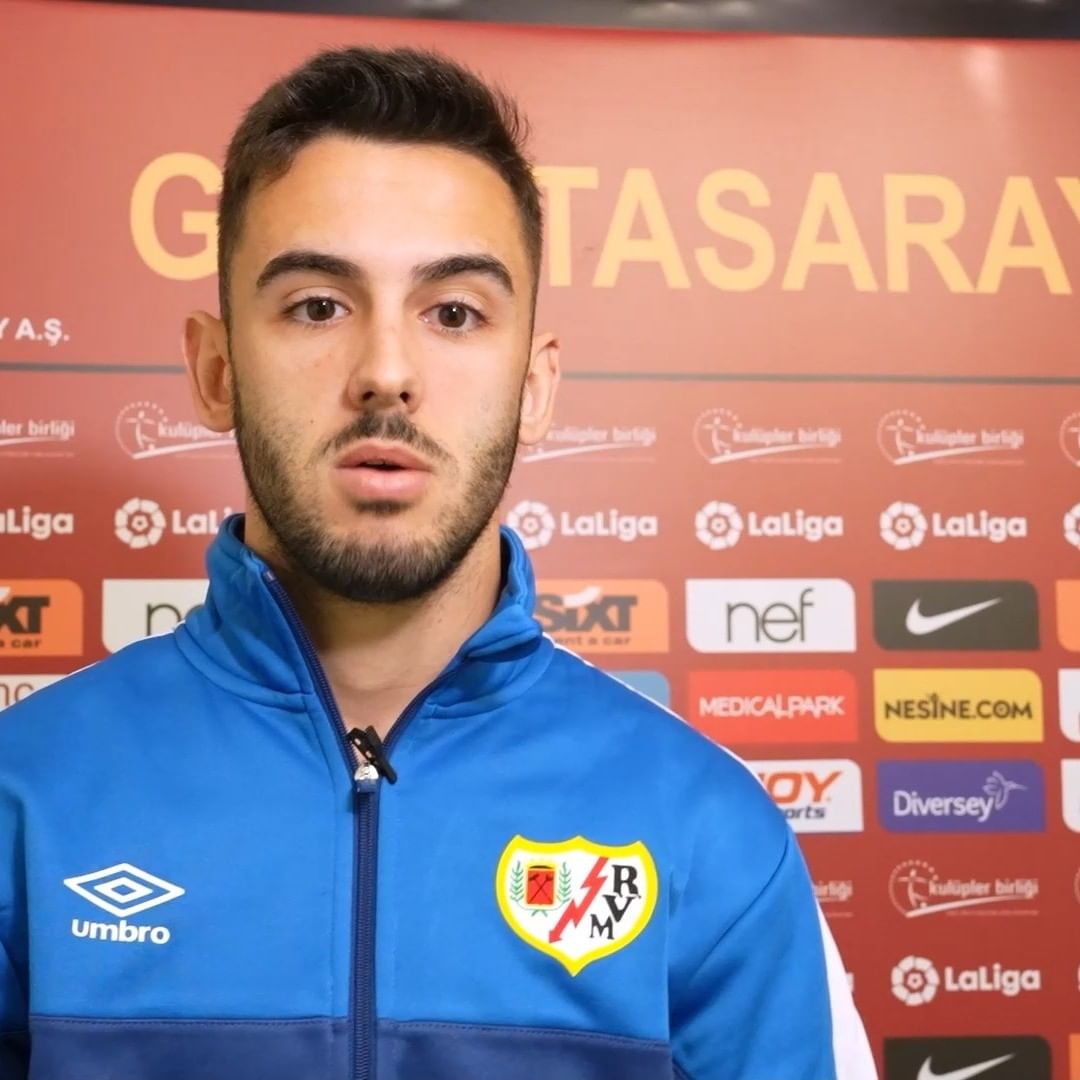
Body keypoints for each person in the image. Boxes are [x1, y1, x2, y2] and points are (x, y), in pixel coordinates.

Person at [0, 46, 876, 1080]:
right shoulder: (26, 799)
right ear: (217, 368)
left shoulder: (709, 832)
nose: (386, 372)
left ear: (535, 387)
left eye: (454, 312)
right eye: (318, 305)